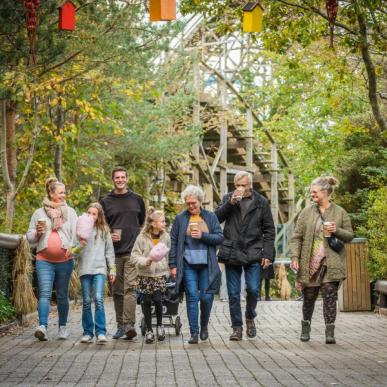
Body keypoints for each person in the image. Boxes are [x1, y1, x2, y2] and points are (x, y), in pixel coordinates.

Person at [290, 176, 354, 344]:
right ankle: (306, 326)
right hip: (310, 262)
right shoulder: (306, 212)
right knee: (309, 296)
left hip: (331, 261)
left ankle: (330, 332)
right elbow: (296, 237)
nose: (312, 194)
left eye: (314, 191)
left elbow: (350, 235)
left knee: (330, 295)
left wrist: (337, 230)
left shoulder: (340, 212)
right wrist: (295, 257)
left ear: (325, 192)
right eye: (312, 192)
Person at [216, 171, 275, 341]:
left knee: (253, 289)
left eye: (244, 185)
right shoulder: (229, 198)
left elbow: (269, 230)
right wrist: (230, 203)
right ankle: (237, 327)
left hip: (253, 251)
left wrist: (268, 253)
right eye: (237, 185)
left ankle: (250, 317)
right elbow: (216, 218)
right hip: (232, 251)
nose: (240, 188)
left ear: (250, 185)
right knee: (233, 293)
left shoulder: (261, 202)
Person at [169, 185, 223, 344]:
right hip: (187, 264)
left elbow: (219, 238)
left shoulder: (210, 216)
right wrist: (173, 264)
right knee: (192, 296)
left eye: (194, 203)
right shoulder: (180, 218)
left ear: (200, 201)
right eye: (188, 203)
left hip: (207, 264)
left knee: (206, 297)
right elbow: (173, 242)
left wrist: (203, 235)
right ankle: (194, 332)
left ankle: (204, 325)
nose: (191, 206)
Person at [27, 177, 77, 341]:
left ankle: (62, 327)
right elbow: (29, 237)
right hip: (44, 260)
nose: (64, 195)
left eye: (65, 192)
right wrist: (38, 233)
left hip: (65, 261)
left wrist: (72, 248)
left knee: (62, 295)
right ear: (51, 193)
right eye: (61, 192)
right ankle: (42, 327)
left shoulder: (70, 212)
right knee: (45, 293)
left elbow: (76, 236)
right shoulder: (39, 213)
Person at [100, 166, 146, 340]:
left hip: (133, 252)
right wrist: (108, 233)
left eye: (122, 177)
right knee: (117, 291)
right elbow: (101, 225)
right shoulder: (105, 201)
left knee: (130, 289)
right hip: (113, 253)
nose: (120, 180)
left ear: (127, 179)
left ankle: (129, 325)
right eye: (117, 177)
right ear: (113, 180)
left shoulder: (137, 199)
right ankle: (120, 326)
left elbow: (141, 222)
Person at [77, 203, 116, 344]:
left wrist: (112, 269)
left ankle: (101, 332)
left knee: (99, 298)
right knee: (87, 301)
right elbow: (73, 251)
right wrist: (79, 245)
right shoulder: (80, 230)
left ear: (99, 216)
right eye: (89, 213)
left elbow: (109, 252)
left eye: (94, 214)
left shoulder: (104, 230)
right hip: (84, 269)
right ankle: (87, 332)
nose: (91, 216)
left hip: (99, 269)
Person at [131, 208, 170, 344]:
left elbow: (168, 254)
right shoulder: (142, 237)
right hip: (145, 274)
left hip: (159, 273)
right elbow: (134, 255)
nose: (164, 223)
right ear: (153, 223)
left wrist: (170, 269)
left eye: (164, 221)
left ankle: (160, 326)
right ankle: (149, 330)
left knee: (158, 299)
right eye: (162, 221)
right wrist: (145, 261)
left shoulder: (165, 236)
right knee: (146, 300)